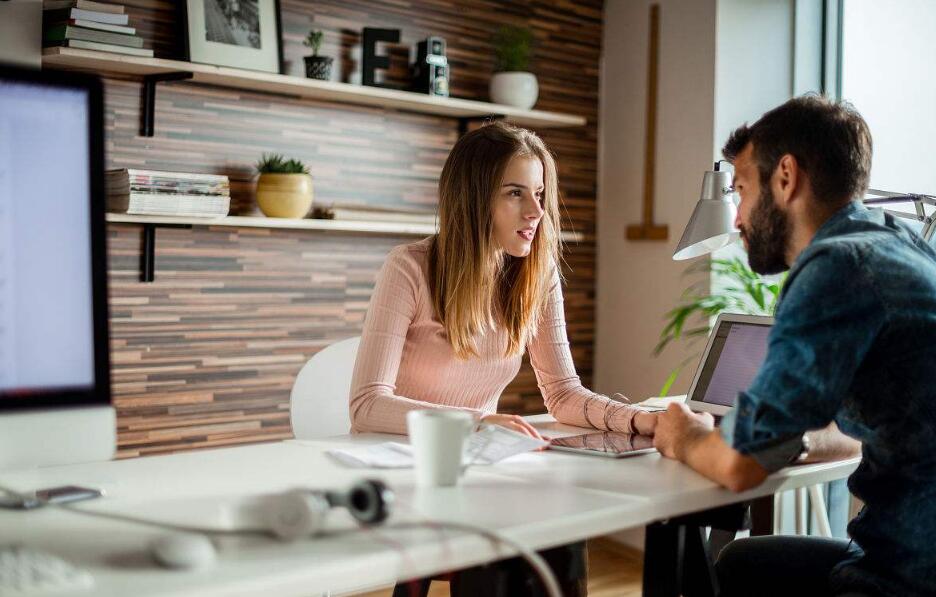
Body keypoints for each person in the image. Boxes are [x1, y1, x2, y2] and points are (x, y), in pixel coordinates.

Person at [349, 121, 657, 596]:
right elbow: (367, 405)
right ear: (473, 199)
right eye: (516, 193)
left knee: (560, 532)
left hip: (479, 467)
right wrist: (479, 422)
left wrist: (638, 421)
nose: (536, 211)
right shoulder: (409, 268)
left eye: (539, 193)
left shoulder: (538, 273)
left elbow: (562, 394)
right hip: (409, 470)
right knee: (499, 549)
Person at [652, 96, 936, 597]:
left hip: (904, 577)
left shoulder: (836, 267)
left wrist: (685, 436)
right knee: (743, 562)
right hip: (900, 549)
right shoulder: (904, 242)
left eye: (740, 190)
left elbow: (739, 467)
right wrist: (786, 437)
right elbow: (862, 432)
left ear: (785, 177)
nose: (736, 217)